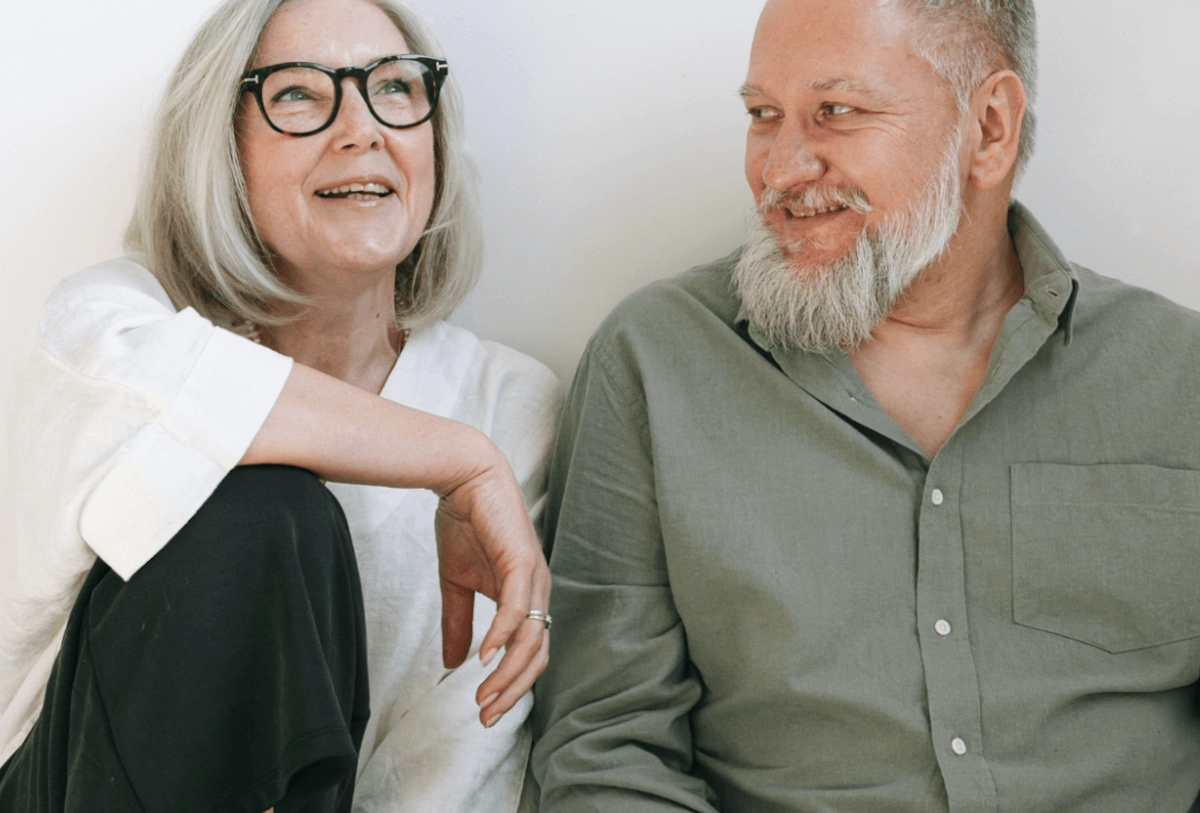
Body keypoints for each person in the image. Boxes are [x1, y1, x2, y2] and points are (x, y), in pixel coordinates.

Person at [530, 0, 1200, 810]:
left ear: (989, 128)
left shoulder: (1177, 377)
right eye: (761, 116)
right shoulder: (655, 361)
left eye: (835, 113)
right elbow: (606, 746)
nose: (778, 170)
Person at [0, 0, 561, 810]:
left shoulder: (508, 401)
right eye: (299, 94)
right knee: (254, 507)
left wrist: (480, 449)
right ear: (220, 149)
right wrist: (459, 460)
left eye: (396, 88)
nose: (362, 127)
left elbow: (457, 752)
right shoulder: (116, 319)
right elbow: (199, 405)